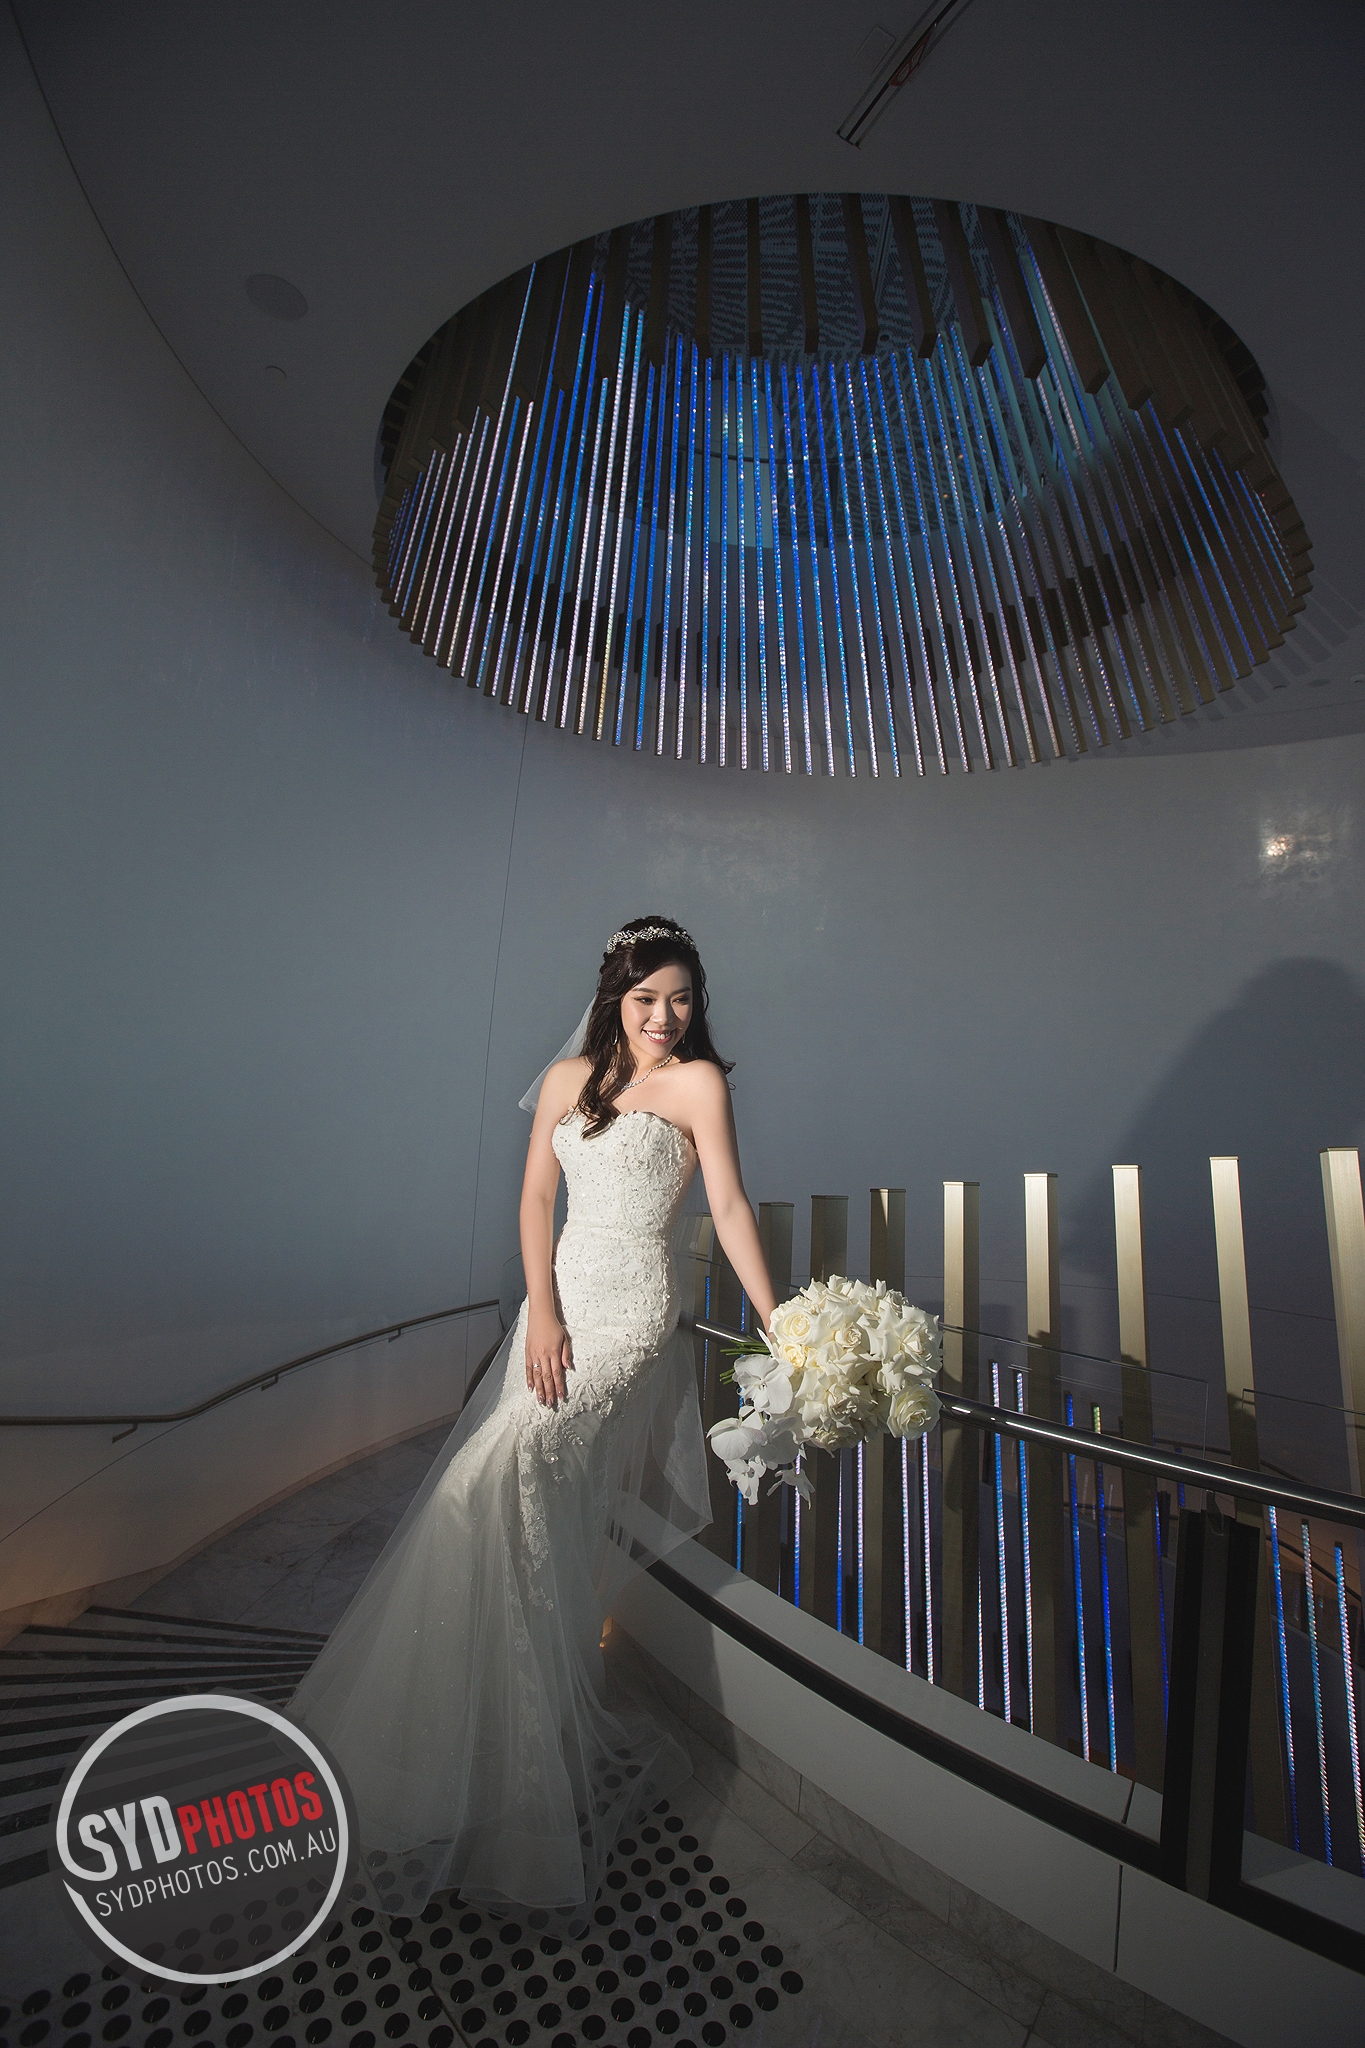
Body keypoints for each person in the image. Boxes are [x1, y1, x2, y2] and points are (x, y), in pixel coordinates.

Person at [290, 916, 777, 1926]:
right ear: (615, 996)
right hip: (554, 1311)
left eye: (680, 998)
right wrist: (542, 1312)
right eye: (645, 998)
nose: (663, 1015)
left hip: (631, 1313)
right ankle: (490, 1734)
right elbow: (532, 1199)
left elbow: (729, 1208)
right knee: (512, 1505)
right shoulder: (565, 1079)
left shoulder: (698, 1085)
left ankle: (509, 1753)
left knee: (495, 1478)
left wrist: (784, 1324)